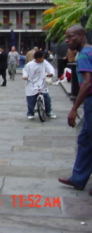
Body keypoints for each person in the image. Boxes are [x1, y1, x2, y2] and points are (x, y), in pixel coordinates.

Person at [58, 26, 92, 194]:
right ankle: (78, 178)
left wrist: (74, 108)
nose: (67, 40)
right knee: (85, 141)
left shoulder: (84, 54)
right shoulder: (90, 51)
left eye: (70, 37)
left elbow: (87, 83)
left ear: (80, 36)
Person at [22, 50, 57, 120]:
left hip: (41, 82)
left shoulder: (44, 63)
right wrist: (25, 76)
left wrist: (51, 73)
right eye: (42, 57)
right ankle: (30, 113)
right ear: (37, 58)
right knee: (31, 99)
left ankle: (49, 111)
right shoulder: (29, 65)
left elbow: (50, 68)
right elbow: (25, 71)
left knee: (47, 98)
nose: (43, 59)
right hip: (31, 83)